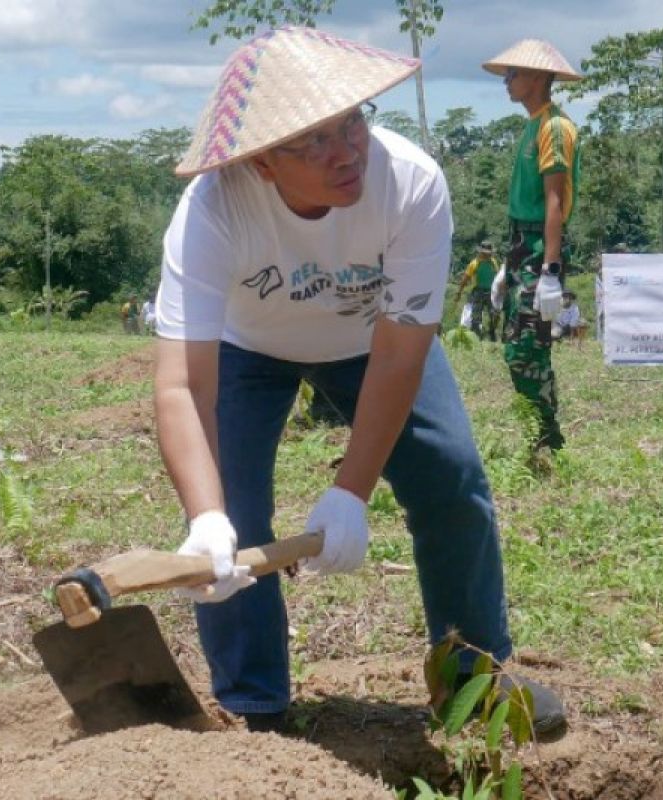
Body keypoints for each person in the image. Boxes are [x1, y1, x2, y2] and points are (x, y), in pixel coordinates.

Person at [153, 26, 565, 738]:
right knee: (233, 512)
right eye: (310, 141)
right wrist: (205, 519)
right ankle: (254, 708)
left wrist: (349, 492)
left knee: (451, 476)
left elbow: (403, 354)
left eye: (350, 123)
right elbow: (183, 387)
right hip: (247, 350)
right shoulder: (213, 211)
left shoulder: (409, 183)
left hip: (369, 340)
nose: (344, 152)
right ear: (258, 164)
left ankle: (475, 684)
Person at [484, 39, 582, 452]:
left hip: (541, 249)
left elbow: (554, 202)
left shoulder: (555, 127)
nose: (507, 81)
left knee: (527, 347)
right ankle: (538, 433)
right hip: (523, 245)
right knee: (515, 343)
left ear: (539, 78)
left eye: (515, 73)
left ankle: (547, 438)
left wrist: (550, 271)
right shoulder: (531, 125)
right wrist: (510, 263)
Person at [453, 241, 500, 341]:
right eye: (485, 253)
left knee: (494, 314)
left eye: (489, 253)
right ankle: (476, 337)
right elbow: (465, 279)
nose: (487, 255)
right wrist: (459, 293)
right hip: (478, 292)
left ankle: (491, 334)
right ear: (481, 252)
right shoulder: (474, 264)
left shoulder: (493, 263)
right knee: (476, 317)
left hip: (491, 292)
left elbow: (497, 277)